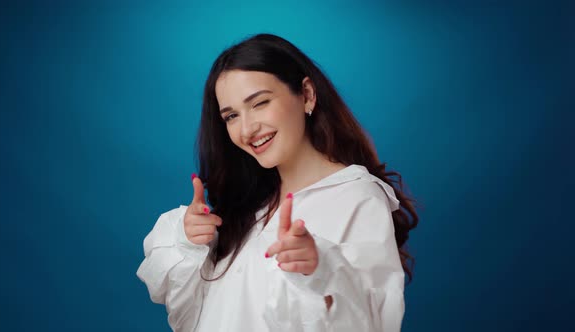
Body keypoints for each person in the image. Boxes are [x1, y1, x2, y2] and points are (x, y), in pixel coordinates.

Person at [136, 33, 419, 332]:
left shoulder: (356, 197)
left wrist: (320, 270)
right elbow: (196, 317)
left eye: (260, 103)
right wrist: (190, 242)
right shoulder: (247, 208)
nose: (247, 129)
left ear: (307, 94)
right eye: (231, 115)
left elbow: (372, 321)